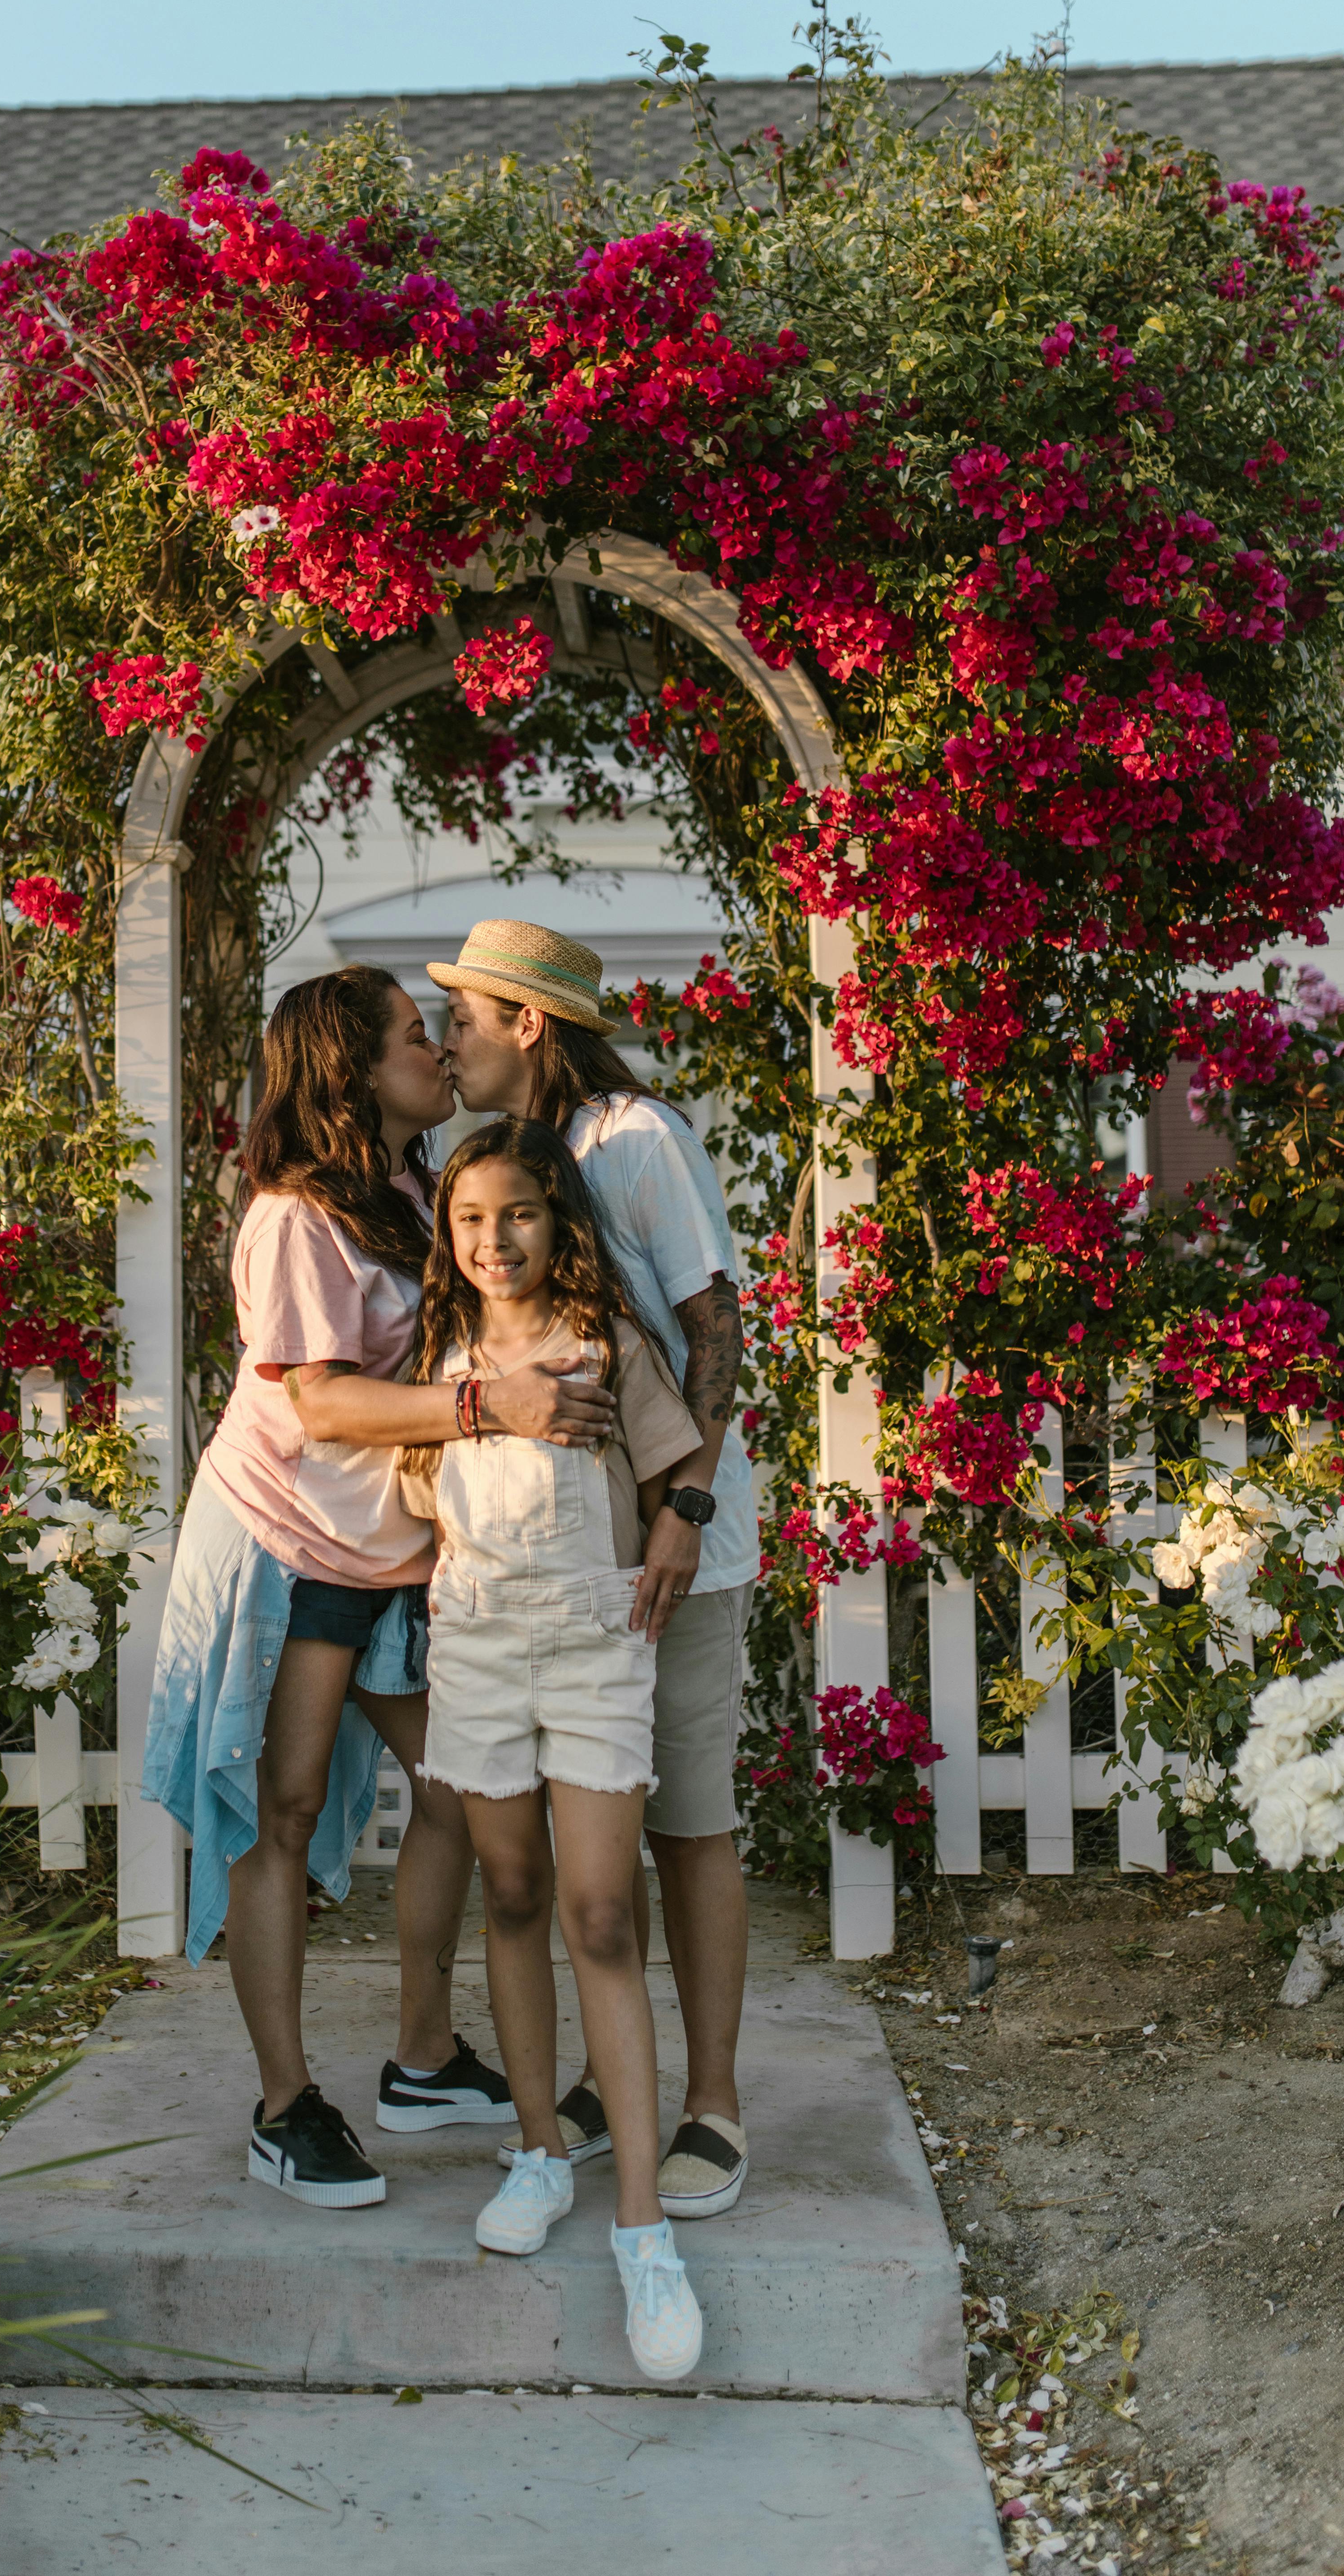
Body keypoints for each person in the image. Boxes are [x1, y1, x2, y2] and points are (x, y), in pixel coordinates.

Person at [140, 963, 620, 2212]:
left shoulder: (411, 1188)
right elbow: (320, 1401)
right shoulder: (291, 1218)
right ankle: (286, 2106)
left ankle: (420, 2055)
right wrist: (490, 1405)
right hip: (287, 1545)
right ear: (348, 1068)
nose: (437, 1052)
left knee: (459, 1790)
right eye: (416, 1035)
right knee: (279, 1815)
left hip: (394, 1548)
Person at [429, 918, 757, 2221]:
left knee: (686, 1823)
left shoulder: (629, 1136)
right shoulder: (515, 1165)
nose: (445, 1037)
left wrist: (684, 1505)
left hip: (674, 1548)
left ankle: (712, 2105)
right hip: (564, 1571)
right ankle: (588, 2091)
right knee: (582, 1847)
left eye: (462, 1016)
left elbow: (712, 1326)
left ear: (525, 1022)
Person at [401, 1116, 705, 2380]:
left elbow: (674, 1462)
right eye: (470, 1220)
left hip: (592, 1647)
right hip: (475, 1650)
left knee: (598, 1913)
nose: (493, 1239)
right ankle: (538, 2146)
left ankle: (642, 2229)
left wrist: (678, 1521)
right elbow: (412, 1479)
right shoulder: (440, 1354)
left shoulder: (608, 1342)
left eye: (515, 1213)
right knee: (511, 1891)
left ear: (554, 1219)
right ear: (448, 1236)